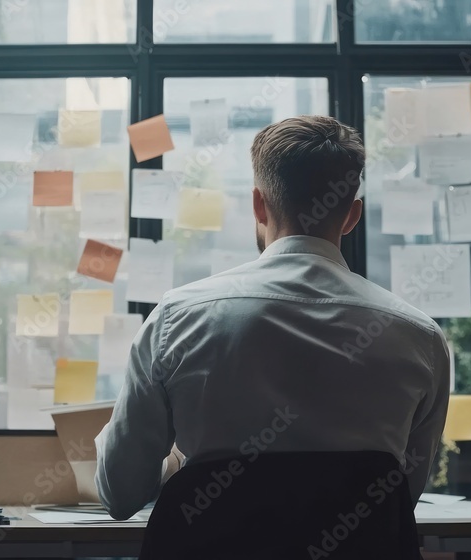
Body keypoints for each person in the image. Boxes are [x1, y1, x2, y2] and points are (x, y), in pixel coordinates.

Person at [95, 115, 450, 520]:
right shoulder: (420, 338)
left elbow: (119, 494)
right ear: (353, 215)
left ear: (258, 205)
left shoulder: (177, 319)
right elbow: (401, 498)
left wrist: (177, 465)